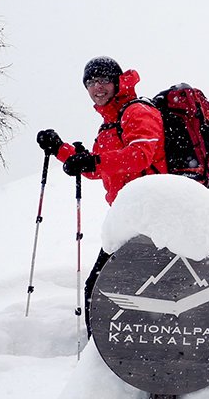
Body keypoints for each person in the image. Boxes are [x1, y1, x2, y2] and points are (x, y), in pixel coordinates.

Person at [36, 56, 166, 332]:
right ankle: (120, 349)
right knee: (111, 286)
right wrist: (61, 149)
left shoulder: (137, 111)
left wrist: (94, 162)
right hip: (127, 216)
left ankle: (105, 355)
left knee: (102, 286)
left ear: (118, 81)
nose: (98, 87)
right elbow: (97, 168)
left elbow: (140, 155)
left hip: (153, 212)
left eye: (104, 80)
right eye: (91, 83)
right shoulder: (109, 124)